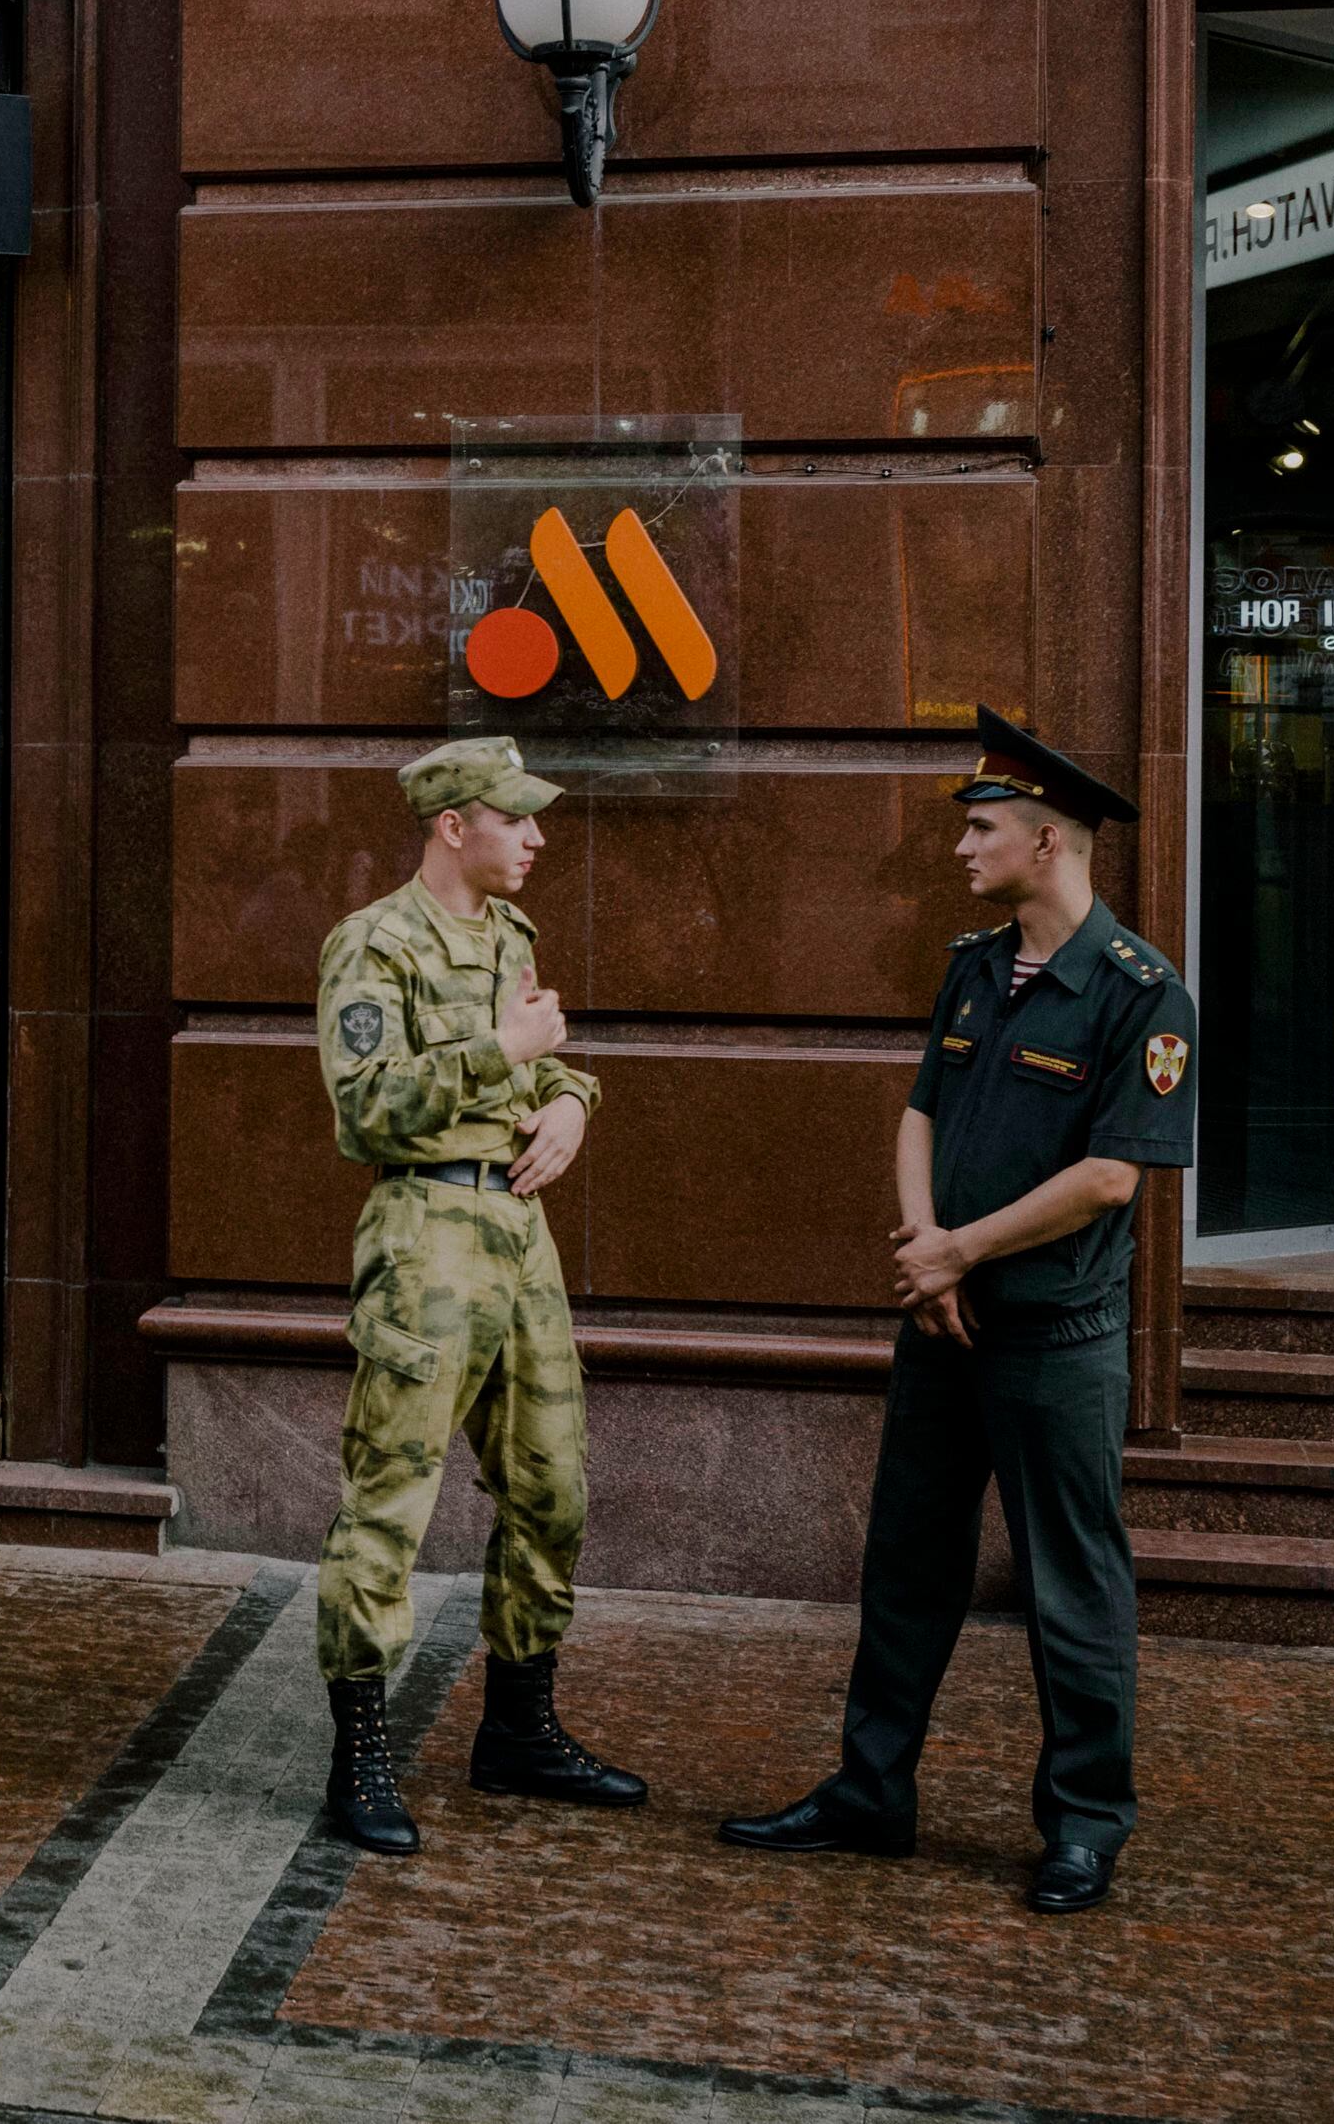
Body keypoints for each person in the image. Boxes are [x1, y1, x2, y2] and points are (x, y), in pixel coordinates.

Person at [722, 709, 1196, 1917]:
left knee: (1071, 1584)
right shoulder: (976, 964)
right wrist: (925, 1248)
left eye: (981, 828)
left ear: (1048, 843)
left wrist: (959, 1252)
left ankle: (1085, 1824)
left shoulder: (1143, 992)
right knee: (907, 1564)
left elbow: (1110, 1176)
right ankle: (871, 1792)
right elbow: (921, 1110)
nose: (960, 846)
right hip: (941, 1331)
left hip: (1055, 1339)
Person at [310, 735, 640, 1858]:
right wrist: (500, 1053)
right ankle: (358, 1754)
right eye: (516, 817)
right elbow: (365, 1107)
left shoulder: (508, 932)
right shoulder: (375, 942)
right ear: (453, 823)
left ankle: (519, 1725)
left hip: (517, 1233)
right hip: (425, 1232)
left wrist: (570, 1103)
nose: (538, 835)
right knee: (391, 1498)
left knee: (554, 1489)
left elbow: (546, 1057)